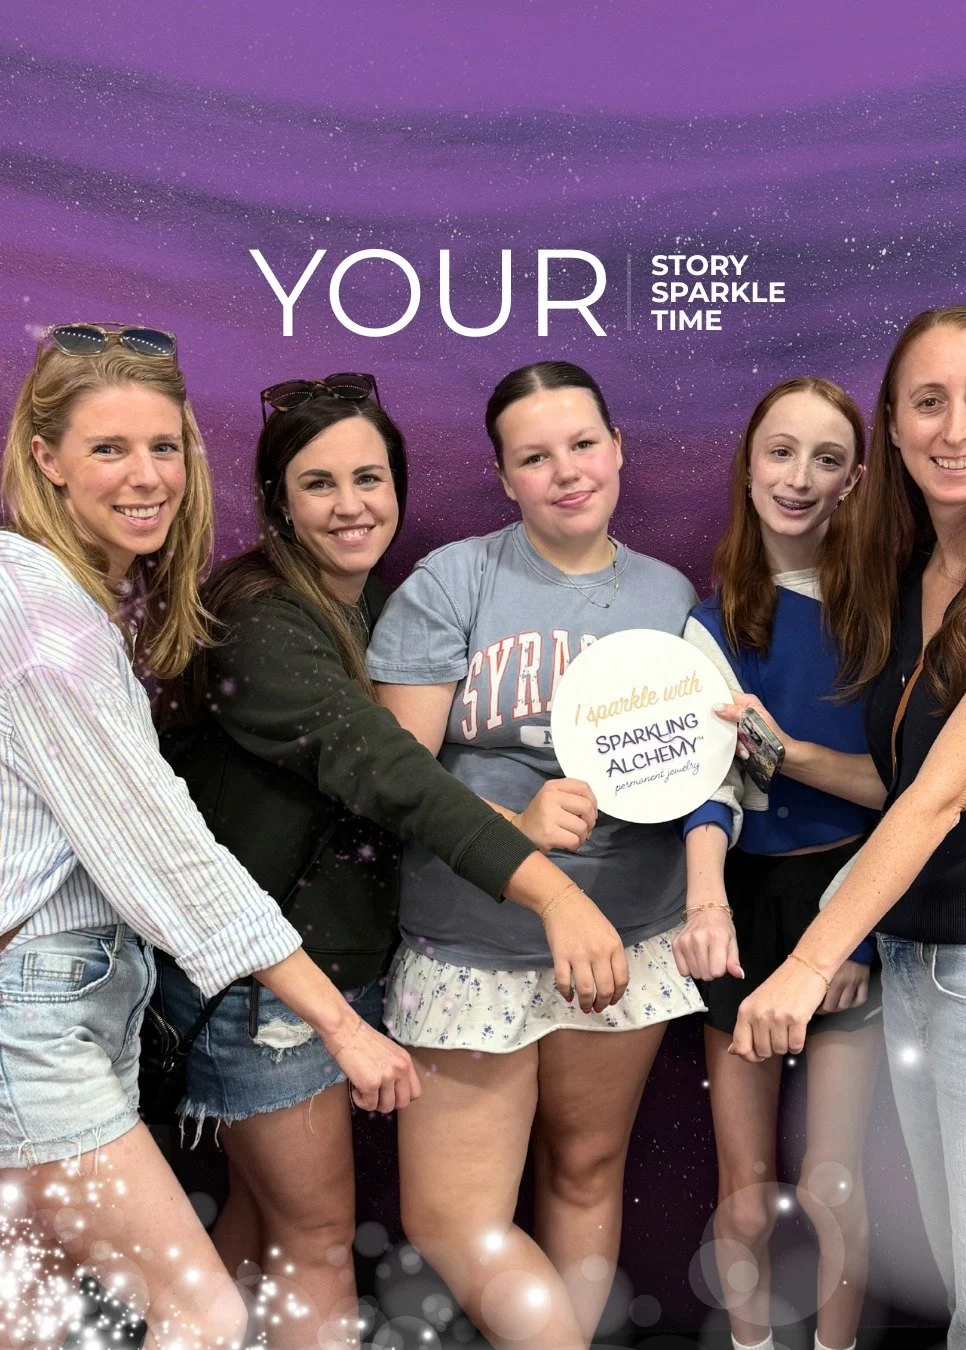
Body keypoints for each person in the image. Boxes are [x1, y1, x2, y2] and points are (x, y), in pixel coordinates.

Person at [154, 371, 627, 1350]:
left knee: (257, 1232)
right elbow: (380, 768)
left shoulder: (377, 611)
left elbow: (394, 773)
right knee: (319, 1242)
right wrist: (548, 890)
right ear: (278, 500)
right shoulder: (259, 620)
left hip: (329, 967)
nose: (350, 504)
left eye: (369, 477)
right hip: (266, 986)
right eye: (318, 483)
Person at [0, 325, 417, 1349]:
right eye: (109, 450)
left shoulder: (61, 601)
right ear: (44, 458)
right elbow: (169, 862)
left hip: (62, 1000)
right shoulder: (38, 607)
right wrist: (342, 1023)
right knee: (200, 1310)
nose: (147, 478)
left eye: (165, 447)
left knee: (34, 1315)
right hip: (36, 1022)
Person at [727, 307, 966, 1350]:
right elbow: (901, 781)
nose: (955, 427)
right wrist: (776, 749)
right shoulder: (914, 573)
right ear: (894, 423)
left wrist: (806, 959)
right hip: (922, 969)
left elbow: (940, 799)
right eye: (929, 401)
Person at [367, 360, 708, 1350]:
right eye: (535, 456)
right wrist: (515, 830)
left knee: (587, 1173)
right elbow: (399, 784)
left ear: (618, 450)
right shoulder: (454, 581)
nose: (566, 471)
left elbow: (695, 769)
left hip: (626, 939)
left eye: (582, 445)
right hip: (475, 943)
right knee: (452, 1218)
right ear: (503, 476)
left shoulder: (667, 594)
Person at [679, 378, 885, 1350]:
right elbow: (710, 785)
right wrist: (706, 902)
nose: (799, 478)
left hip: (853, 894)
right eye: (781, 451)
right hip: (748, 903)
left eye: (827, 458)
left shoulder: (888, 615)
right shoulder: (710, 622)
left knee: (832, 1179)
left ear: (853, 480)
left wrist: (859, 935)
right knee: (746, 1185)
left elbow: (908, 793)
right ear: (748, 463)